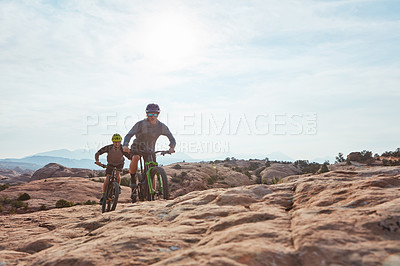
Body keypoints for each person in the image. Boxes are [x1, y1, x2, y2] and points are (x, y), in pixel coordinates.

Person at [123, 103, 176, 202]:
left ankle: (152, 192)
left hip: (150, 149)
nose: (152, 117)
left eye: (155, 114)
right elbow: (129, 135)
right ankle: (133, 180)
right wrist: (125, 145)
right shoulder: (140, 124)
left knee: (152, 168)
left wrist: (171, 147)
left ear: (158, 114)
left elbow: (172, 138)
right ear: (146, 114)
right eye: (150, 114)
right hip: (137, 147)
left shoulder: (161, 126)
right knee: (136, 158)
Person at [95, 133, 130, 204]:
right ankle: (104, 195)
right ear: (113, 142)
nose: (117, 144)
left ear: (120, 142)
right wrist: (97, 161)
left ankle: (118, 187)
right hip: (110, 164)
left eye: (118, 142)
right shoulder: (109, 147)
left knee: (118, 175)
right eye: (115, 142)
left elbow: (129, 156)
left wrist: (132, 155)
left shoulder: (122, 148)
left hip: (120, 163)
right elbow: (98, 153)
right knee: (108, 178)